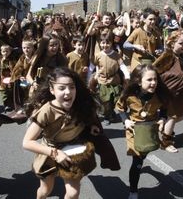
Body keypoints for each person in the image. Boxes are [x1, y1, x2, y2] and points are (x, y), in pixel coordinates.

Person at [22, 67, 118, 199]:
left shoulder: (80, 104)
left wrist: (90, 127)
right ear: (52, 90)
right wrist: (55, 154)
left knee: (73, 193)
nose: (68, 92)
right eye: (61, 88)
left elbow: (84, 118)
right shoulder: (46, 111)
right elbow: (27, 142)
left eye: (72, 87)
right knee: (45, 190)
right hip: (49, 153)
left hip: (72, 152)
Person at [116, 64, 169, 199]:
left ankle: (145, 167)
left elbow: (164, 109)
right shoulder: (129, 95)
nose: (153, 83)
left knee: (144, 154)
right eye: (149, 80)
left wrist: (162, 119)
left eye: (155, 79)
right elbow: (120, 108)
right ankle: (133, 190)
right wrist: (126, 121)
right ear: (139, 82)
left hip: (150, 129)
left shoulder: (160, 95)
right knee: (137, 162)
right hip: (134, 130)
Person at [153, 30, 183, 153]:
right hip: (169, 92)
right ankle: (166, 143)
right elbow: (155, 71)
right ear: (172, 44)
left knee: (180, 115)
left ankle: (162, 124)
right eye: (181, 43)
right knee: (173, 117)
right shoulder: (167, 57)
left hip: (180, 92)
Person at [94, 32, 130, 125]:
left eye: (107, 43)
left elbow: (122, 65)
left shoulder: (116, 55)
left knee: (115, 99)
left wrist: (127, 75)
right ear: (100, 43)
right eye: (102, 43)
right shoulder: (98, 55)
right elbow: (97, 65)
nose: (105, 45)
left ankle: (112, 111)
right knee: (105, 101)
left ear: (111, 43)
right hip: (103, 81)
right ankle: (107, 116)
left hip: (114, 80)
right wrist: (97, 73)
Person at [0, 44, 17, 111]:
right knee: (2, 91)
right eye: (3, 51)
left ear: (10, 52)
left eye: (7, 51)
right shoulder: (0, 60)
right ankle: (6, 104)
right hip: (2, 79)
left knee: (10, 91)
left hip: (10, 78)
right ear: (1, 52)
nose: (5, 53)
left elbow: (14, 69)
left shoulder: (12, 60)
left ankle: (10, 104)